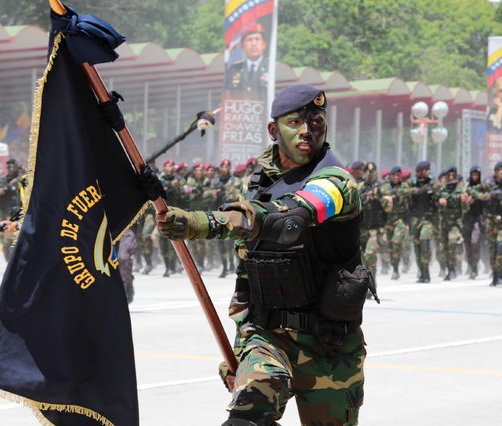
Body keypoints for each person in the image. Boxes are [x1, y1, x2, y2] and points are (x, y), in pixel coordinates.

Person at [153, 84, 374, 425]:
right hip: (268, 340)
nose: (307, 130)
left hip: (330, 349)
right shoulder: (259, 184)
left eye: (316, 121)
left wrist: (201, 223)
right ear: (273, 129)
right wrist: (241, 350)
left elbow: (288, 220)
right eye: (295, 122)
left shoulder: (335, 182)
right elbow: (248, 277)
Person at [409, 161, 437, 283]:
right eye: (426, 169)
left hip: (427, 218)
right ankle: (421, 271)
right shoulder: (412, 182)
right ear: (420, 172)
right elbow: (403, 190)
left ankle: (426, 271)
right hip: (415, 219)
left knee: (425, 242)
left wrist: (430, 189)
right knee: (417, 247)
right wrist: (417, 191)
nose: (428, 171)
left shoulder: (432, 182)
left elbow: (438, 187)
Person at [225, 22, 269, 94]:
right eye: (249, 40)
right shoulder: (234, 69)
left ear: (264, 45)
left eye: (257, 39)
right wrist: (228, 50)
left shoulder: (271, 67)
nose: (254, 44)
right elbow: (222, 81)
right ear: (243, 46)